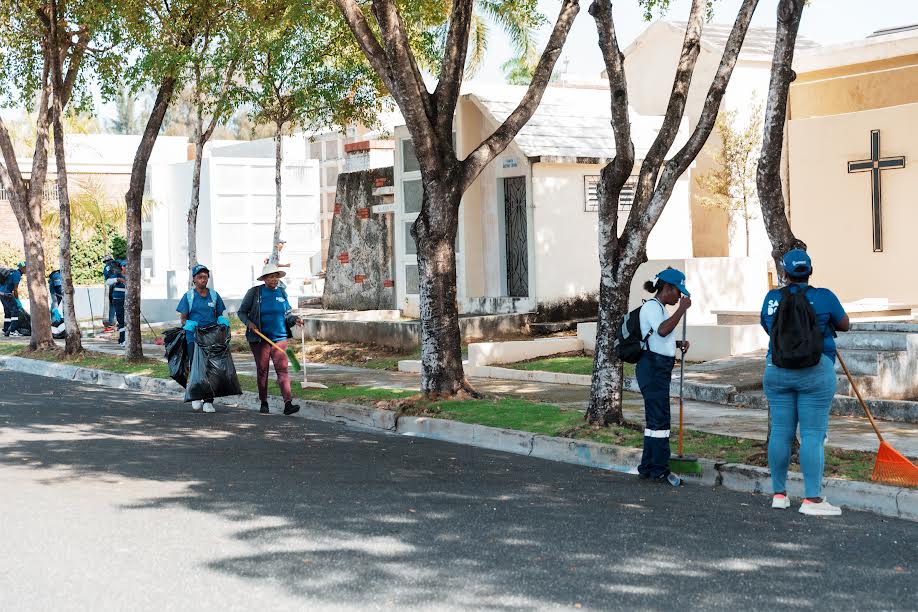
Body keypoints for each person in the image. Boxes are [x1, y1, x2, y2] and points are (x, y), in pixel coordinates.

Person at [761, 249, 850, 516]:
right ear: (810, 271)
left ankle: (779, 495)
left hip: (776, 370)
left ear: (784, 273)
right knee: (812, 435)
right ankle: (812, 500)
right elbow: (845, 324)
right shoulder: (824, 296)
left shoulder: (772, 298)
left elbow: (767, 326)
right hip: (815, 371)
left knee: (780, 432)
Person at [636, 267, 692, 487]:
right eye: (678, 291)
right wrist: (682, 310)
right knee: (660, 420)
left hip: (657, 367)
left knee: (654, 421)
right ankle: (659, 470)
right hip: (652, 367)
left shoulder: (659, 308)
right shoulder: (652, 307)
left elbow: (661, 337)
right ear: (667, 288)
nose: (679, 296)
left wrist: (678, 344)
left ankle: (648, 467)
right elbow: (661, 331)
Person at [237, 263, 301, 416]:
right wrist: (249, 323)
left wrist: (295, 320)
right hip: (260, 339)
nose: (275, 279)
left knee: (283, 369)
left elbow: (287, 314)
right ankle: (264, 402)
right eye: (271, 276)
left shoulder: (282, 293)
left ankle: (288, 403)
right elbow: (241, 312)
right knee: (263, 370)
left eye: (276, 276)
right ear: (264, 278)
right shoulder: (255, 293)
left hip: (280, 338)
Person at [177, 264, 229, 413]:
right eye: (199, 277)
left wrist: (222, 320)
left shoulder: (214, 295)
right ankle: (196, 396)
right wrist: (189, 324)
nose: (202, 280)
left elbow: (219, 314)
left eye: (205, 277)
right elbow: (183, 319)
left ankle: (208, 401)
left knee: (211, 368)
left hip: (212, 337)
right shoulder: (189, 296)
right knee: (196, 367)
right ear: (194, 279)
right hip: (193, 337)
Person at [1, 261, 26, 337]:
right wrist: (17, 299)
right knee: (15, 311)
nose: (27, 270)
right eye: (26, 268)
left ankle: (6, 329)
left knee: (7, 311)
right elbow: (15, 289)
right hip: (7, 295)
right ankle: (12, 331)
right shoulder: (17, 274)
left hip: (1, 294)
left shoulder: (12, 272)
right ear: (22, 268)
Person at [109, 261, 127, 346]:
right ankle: (123, 340)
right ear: (122, 267)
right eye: (124, 266)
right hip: (118, 300)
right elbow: (108, 282)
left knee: (126, 321)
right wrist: (117, 279)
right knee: (121, 320)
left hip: (127, 301)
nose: (126, 267)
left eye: (127, 266)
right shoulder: (118, 275)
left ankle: (121, 339)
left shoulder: (131, 276)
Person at [102, 254, 118, 330]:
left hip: (111, 284)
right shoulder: (118, 264)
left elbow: (106, 277)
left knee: (112, 304)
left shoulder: (107, 267)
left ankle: (111, 323)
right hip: (120, 283)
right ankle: (121, 322)